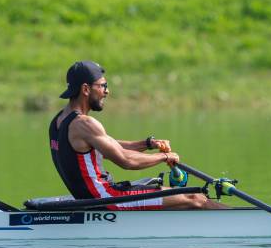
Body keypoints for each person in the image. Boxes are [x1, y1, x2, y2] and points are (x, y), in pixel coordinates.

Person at [49, 60, 225, 210]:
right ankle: (245, 223)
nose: (107, 91)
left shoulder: (59, 121)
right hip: (106, 198)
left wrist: (149, 143)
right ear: (86, 89)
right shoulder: (85, 124)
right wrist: (164, 157)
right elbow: (127, 161)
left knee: (177, 196)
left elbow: (111, 145)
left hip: (92, 198)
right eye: (103, 86)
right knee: (195, 198)